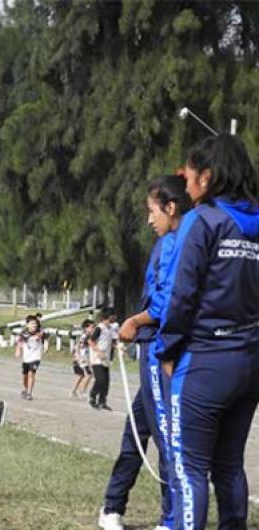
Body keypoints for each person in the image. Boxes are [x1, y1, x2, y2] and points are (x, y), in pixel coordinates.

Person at [156, 135, 259, 530]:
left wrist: (168, 348)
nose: (186, 185)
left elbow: (183, 295)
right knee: (229, 465)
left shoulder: (204, 220)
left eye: (191, 175)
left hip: (204, 361)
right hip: (249, 361)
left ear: (209, 176)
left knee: (189, 469)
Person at [98, 175, 192, 530]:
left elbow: (168, 302)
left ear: (171, 207)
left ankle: (170, 518)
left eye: (153, 211)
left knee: (166, 433)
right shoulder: (164, 242)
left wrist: (134, 322)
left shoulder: (178, 241)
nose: (149, 220)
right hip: (150, 350)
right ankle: (112, 506)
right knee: (136, 431)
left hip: (159, 349)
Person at [89, 310, 114, 411]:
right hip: (97, 359)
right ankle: (93, 397)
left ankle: (102, 401)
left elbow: (111, 342)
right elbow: (91, 341)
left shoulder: (110, 329)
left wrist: (118, 347)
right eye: (110, 319)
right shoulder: (99, 328)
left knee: (106, 382)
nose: (111, 321)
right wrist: (98, 352)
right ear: (105, 319)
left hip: (106, 358)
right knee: (100, 379)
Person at [15, 315, 44, 400]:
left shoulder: (40, 331)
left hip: (36, 357)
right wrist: (18, 350)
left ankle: (29, 393)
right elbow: (19, 342)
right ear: (27, 325)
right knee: (25, 376)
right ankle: (26, 389)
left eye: (35, 323)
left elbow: (40, 336)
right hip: (26, 358)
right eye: (31, 323)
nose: (34, 325)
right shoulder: (23, 333)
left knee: (32, 373)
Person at [71, 319, 95, 398]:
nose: (93, 329)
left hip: (83, 358)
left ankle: (73, 391)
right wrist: (79, 357)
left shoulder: (87, 336)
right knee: (89, 374)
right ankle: (82, 391)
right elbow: (77, 346)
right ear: (86, 328)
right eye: (91, 327)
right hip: (81, 359)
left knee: (81, 375)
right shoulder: (85, 336)